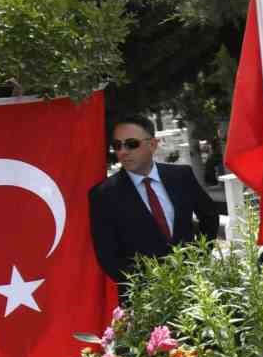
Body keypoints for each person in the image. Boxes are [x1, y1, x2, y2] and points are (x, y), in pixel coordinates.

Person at [89, 115, 219, 290]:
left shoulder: (181, 176)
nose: (123, 152)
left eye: (131, 144)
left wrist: (199, 257)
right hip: (147, 299)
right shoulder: (103, 195)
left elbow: (209, 216)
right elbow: (107, 256)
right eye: (117, 146)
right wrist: (147, 288)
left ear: (152, 144)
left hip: (194, 287)